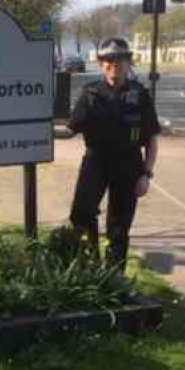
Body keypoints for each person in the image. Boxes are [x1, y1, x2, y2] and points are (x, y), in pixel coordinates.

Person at [67, 37, 160, 271]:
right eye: (108, 59)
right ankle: (90, 267)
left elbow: (151, 139)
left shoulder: (140, 95)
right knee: (81, 213)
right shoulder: (90, 93)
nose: (113, 64)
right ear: (100, 63)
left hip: (128, 163)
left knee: (119, 227)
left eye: (119, 59)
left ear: (128, 62)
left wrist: (146, 174)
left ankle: (113, 278)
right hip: (96, 160)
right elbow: (70, 128)